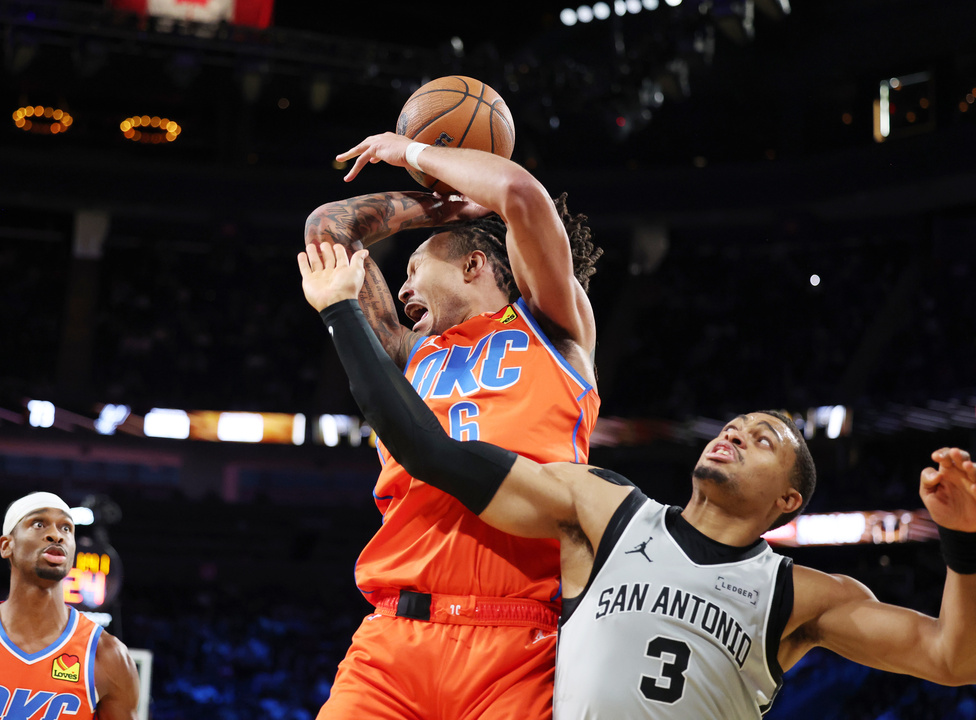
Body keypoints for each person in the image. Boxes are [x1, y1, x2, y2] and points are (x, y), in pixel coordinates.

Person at [298, 241, 976, 719]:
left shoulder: (800, 595)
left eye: (763, 437)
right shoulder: (606, 511)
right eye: (733, 424)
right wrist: (341, 310)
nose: (735, 432)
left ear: (788, 500)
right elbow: (433, 452)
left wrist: (962, 543)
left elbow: (953, 660)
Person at [304, 132, 603, 718]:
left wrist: (410, 152)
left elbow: (519, 192)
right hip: (392, 640)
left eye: (415, 269)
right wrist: (444, 206)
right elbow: (330, 228)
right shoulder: (406, 352)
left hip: (517, 641)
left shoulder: (554, 329)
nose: (403, 288)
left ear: (474, 265)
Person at [0, 492, 140, 720]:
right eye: (39, 524)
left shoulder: (107, 656)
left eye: (66, 528)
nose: (56, 535)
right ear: (6, 546)